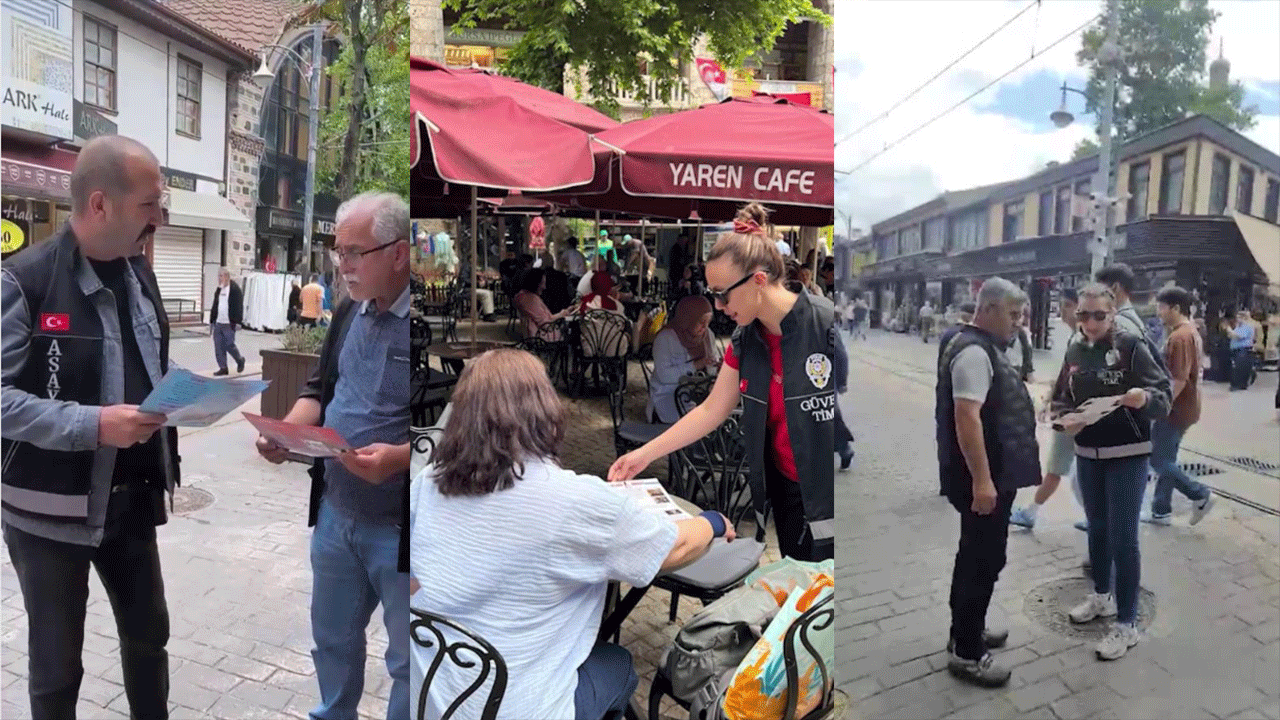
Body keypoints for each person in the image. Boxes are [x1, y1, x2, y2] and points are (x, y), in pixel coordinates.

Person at [412, 349, 732, 720]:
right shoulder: (570, 499)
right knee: (617, 663)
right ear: (543, 410)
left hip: (437, 694)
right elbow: (673, 546)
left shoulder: (427, 483)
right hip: (523, 706)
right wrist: (713, 522)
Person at [2, 135, 176, 719]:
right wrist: (95, 424)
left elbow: (147, 364)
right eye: (149, 205)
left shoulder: (141, 275)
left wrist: (186, 398)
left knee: (150, 638)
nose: (161, 218)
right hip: (47, 511)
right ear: (100, 205)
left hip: (130, 500)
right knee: (57, 669)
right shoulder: (22, 282)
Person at [609, 203, 840, 563]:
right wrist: (643, 454)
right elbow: (711, 409)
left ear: (759, 281)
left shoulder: (826, 325)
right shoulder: (747, 338)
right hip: (787, 488)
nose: (717, 305)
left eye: (722, 293)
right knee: (802, 585)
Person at [255, 192, 412, 720]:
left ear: (398, 252)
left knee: (408, 661)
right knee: (333, 644)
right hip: (336, 515)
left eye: (354, 252)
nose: (342, 265)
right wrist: (284, 433)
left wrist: (403, 457)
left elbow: (458, 433)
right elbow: (319, 390)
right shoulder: (347, 309)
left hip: (402, 528)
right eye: (337, 251)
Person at [1051, 283, 1171, 662]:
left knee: (1124, 538)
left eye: (1098, 316)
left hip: (1128, 455)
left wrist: (1145, 398)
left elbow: (1164, 394)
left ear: (1112, 314)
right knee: (1097, 530)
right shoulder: (1074, 348)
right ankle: (1101, 596)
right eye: (1082, 315)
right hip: (1088, 453)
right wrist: (1059, 415)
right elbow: (1061, 395)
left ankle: (1127, 623)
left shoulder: (1133, 347)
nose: (1089, 323)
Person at [935, 278, 1041, 687]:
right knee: (983, 560)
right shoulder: (976, 352)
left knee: (975, 556)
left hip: (989, 475)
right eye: (1013, 315)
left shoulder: (970, 343)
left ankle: (965, 630)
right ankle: (967, 653)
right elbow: (967, 417)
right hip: (986, 478)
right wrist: (982, 481)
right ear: (990, 308)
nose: (1018, 324)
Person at [1011, 288, 1090, 534]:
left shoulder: (1082, 339)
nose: (1063, 312)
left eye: (1067, 306)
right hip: (1070, 412)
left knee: (1057, 467)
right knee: (1072, 472)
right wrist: (1050, 398)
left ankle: (1031, 513)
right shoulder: (1076, 339)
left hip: (1071, 415)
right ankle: (1094, 515)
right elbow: (1065, 376)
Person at [1144, 286, 1214, 526]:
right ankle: (1161, 509)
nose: (1159, 313)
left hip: (1175, 409)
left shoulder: (1180, 336)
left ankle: (1199, 493)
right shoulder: (1189, 331)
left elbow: (1179, 379)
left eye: (1161, 308)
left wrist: (1162, 405)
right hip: (1186, 408)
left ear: (1175, 308)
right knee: (1167, 457)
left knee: (1157, 460)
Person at [648, 295, 721, 423]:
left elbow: (712, 363)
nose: (705, 327)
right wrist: (695, 365)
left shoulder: (708, 335)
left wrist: (717, 367)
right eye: (700, 322)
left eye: (708, 322)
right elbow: (663, 376)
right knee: (693, 421)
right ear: (687, 319)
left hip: (699, 390)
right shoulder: (665, 338)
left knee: (721, 413)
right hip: (669, 393)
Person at [515, 268, 572, 339]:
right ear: (535, 283)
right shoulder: (531, 300)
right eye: (542, 283)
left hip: (534, 334)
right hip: (542, 337)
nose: (544, 287)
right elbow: (545, 325)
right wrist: (561, 315)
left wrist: (562, 313)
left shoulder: (522, 296)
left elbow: (545, 319)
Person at [210, 267, 247, 375]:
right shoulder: (219, 289)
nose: (219, 278)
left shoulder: (235, 289)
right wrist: (212, 320)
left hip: (229, 323)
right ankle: (223, 367)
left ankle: (239, 360)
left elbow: (239, 306)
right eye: (218, 276)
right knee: (218, 345)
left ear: (226, 276)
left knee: (229, 344)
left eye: (221, 276)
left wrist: (238, 322)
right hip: (219, 322)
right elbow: (215, 305)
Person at [1227, 309, 1256, 390]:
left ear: (1244, 318)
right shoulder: (1238, 326)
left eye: (1239, 317)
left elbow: (1239, 336)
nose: (1237, 319)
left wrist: (1229, 330)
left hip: (1243, 350)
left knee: (1239, 368)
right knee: (1238, 367)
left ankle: (1238, 384)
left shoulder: (1247, 326)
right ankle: (1240, 384)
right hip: (1236, 350)